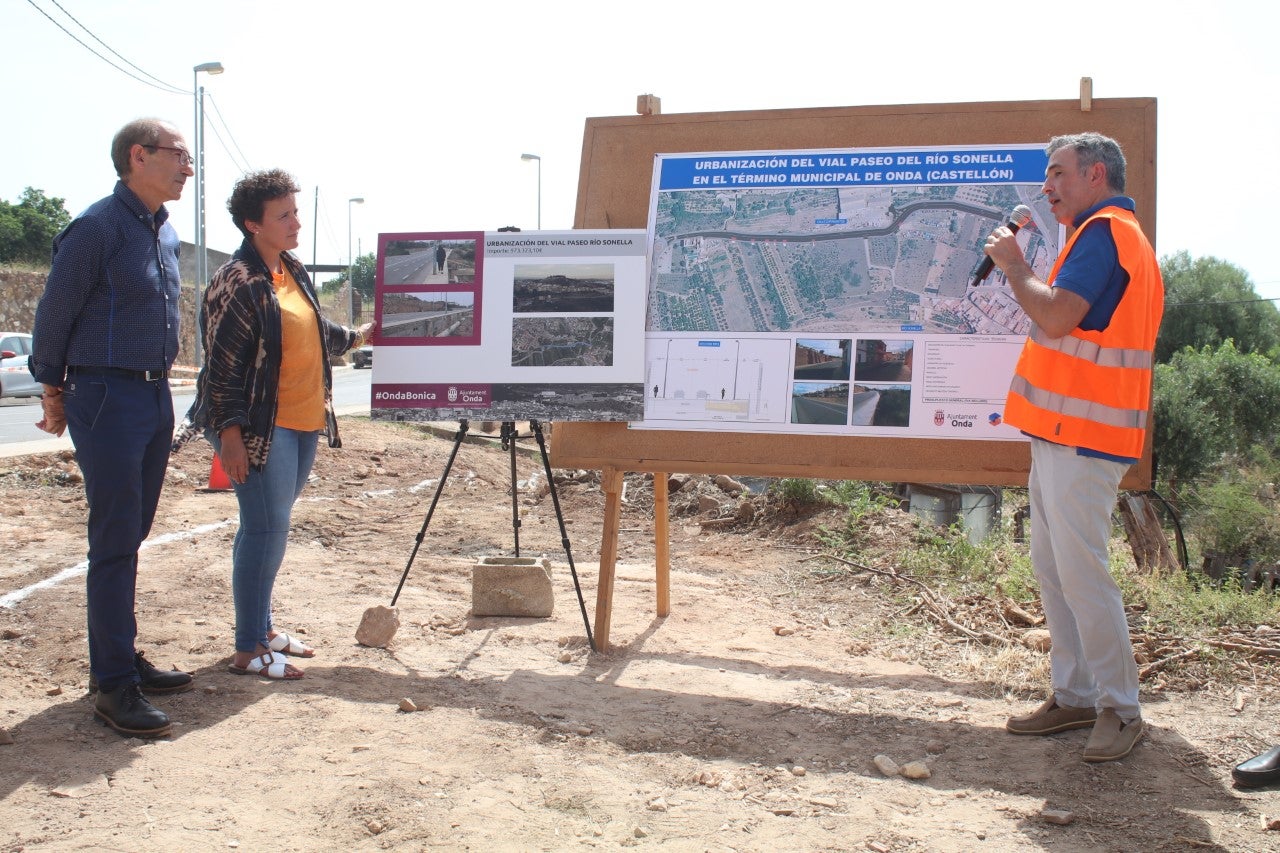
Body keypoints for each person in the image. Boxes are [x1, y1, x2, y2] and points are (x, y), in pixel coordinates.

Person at [984, 132, 1163, 763]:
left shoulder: (1105, 233)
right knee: (1056, 569)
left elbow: (1057, 316)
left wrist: (1013, 264)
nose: (1047, 186)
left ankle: (1120, 709)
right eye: (1046, 174)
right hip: (1063, 436)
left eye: (1058, 173)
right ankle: (1076, 695)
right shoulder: (1103, 235)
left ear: (1095, 175)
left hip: (1085, 440)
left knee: (1082, 574)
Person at [28, 118, 195, 738]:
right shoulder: (96, 227)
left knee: (133, 532)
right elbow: (54, 314)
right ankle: (113, 685)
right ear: (138, 156)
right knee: (115, 537)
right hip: (104, 394)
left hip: (153, 394)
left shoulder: (164, 231)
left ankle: (119, 657)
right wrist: (52, 389)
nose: (188, 167)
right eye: (179, 155)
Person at [180, 169, 373, 680]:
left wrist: (360, 336)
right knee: (267, 530)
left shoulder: (289, 268)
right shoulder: (238, 280)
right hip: (260, 429)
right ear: (253, 224)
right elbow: (222, 367)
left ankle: (261, 629)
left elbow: (314, 330)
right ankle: (248, 648)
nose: (296, 223)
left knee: (264, 529)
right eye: (283, 215)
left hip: (303, 422)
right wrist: (230, 436)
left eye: (295, 211)